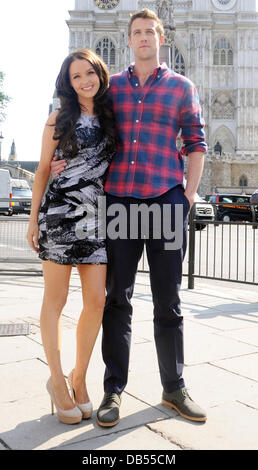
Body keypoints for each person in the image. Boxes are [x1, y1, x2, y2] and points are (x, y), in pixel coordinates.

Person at [52, 8, 208, 427]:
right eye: (136, 32)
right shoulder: (111, 88)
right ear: (129, 40)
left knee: (168, 302)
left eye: (149, 32)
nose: (143, 38)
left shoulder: (181, 87)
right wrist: (58, 159)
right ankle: (113, 390)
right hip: (119, 203)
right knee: (117, 302)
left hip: (165, 202)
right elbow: (79, 119)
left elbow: (197, 143)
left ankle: (173, 387)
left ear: (160, 38)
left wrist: (187, 197)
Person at [26, 49, 116, 424]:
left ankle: (79, 377)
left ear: (100, 74)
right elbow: (44, 171)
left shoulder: (112, 120)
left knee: (96, 301)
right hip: (59, 216)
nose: (84, 81)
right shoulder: (57, 121)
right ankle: (57, 383)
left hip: (96, 219)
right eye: (76, 76)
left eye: (89, 73)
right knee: (56, 301)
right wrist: (33, 221)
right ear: (69, 82)